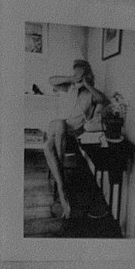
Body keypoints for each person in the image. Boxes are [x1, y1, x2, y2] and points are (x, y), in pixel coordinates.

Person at [44, 59, 109, 218]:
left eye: (81, 74)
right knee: (59, 124)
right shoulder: (70, 88)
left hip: (72, 135)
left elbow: (103, 100)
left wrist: (87, 85)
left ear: (88, 75)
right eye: (76, 74)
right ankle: (62, 186)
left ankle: (61, 188)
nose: (78, 77)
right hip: (58, 129)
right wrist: (71, 79)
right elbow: (51, 81)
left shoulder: (91, 94)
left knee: (47, 146)